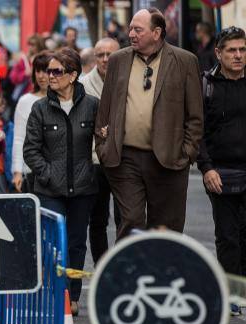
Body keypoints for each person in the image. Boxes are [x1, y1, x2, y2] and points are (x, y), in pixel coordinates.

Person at [95, 8, 204, 239]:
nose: (131, 33)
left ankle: (162, 273)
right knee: (131, 221)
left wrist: (187, 153)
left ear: (156, 32)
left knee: (166, 229)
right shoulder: (118, 60)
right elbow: (105, 108)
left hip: (169, 159)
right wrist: (103, 146)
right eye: (131, 28)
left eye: (138, 29)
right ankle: (126, 272)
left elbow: (195, 115)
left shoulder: (185, 61)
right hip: (125, 158)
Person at [24, 48, 98, 316]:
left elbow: (101, 142)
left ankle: (72, 295)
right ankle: (54, 293)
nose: (49, 76)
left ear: (73, 75)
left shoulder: (91, 105)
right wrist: (47, 174)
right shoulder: (40, 108)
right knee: (53, 241)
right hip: (49, 189)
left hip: (82, 188)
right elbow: (30, 150)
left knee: (77, 243)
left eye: (57, 71)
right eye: (48, 71)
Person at [197, 27, 246, 290]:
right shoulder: (206, 86)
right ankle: (234, 292)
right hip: (220, 172)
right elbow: (197, 132)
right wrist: (206, 168)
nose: (238, 55)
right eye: (232, 50)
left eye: (242, 49)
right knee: (228, 236)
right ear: (218, 53)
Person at [80, 38, 120, 263]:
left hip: (124, 158)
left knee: (127, 218)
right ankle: (102, 265)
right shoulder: (84, 85)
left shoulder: (127, 79)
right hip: (95, 161)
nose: (105, 59)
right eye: (101, 55)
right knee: (98, 219)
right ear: (95, 58)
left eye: (110, 54)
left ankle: (124, 266)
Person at [12, 52, 51, 193]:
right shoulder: (25, 101)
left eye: (45, 71)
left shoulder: (65, 100)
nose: (41, 76)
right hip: (32, 171)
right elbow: (19, 138)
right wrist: (17, 171)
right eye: (38, 71)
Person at [10, 35, 47, 101]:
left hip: (43, 94)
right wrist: (24, 74)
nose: (30, 47)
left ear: (39, 46)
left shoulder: (46, 59)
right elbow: (13, 76)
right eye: (29, 45)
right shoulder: (24, 60)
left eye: (33, 45)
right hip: (27, 94)